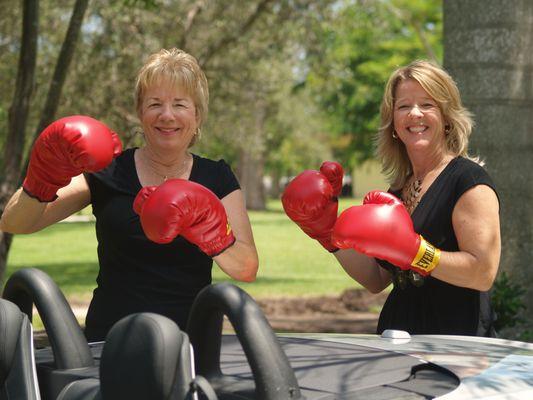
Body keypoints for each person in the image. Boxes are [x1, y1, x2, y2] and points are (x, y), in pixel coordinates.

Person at [0, 48, 258, 341]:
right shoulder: (109, 171)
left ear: (197, 115)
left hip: (190, 347)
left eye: (180, 104)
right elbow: (14, 223)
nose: (167, 115)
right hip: (107, 345)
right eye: (155, 103)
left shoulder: (216, 177)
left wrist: (211, 234)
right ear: (140, 112)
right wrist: (42, 179)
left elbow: (246, 267)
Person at [282, 60, 500, 336]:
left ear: (446, 117)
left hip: (456, 344)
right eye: (404, 106)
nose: (415, 114)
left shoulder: (467, 180)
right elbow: (376, 279)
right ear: (394, 123)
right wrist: (326, 232)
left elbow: (483, 273)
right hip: (398, 335)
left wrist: (416, 252)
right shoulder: (396, 192)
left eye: (427, 104)